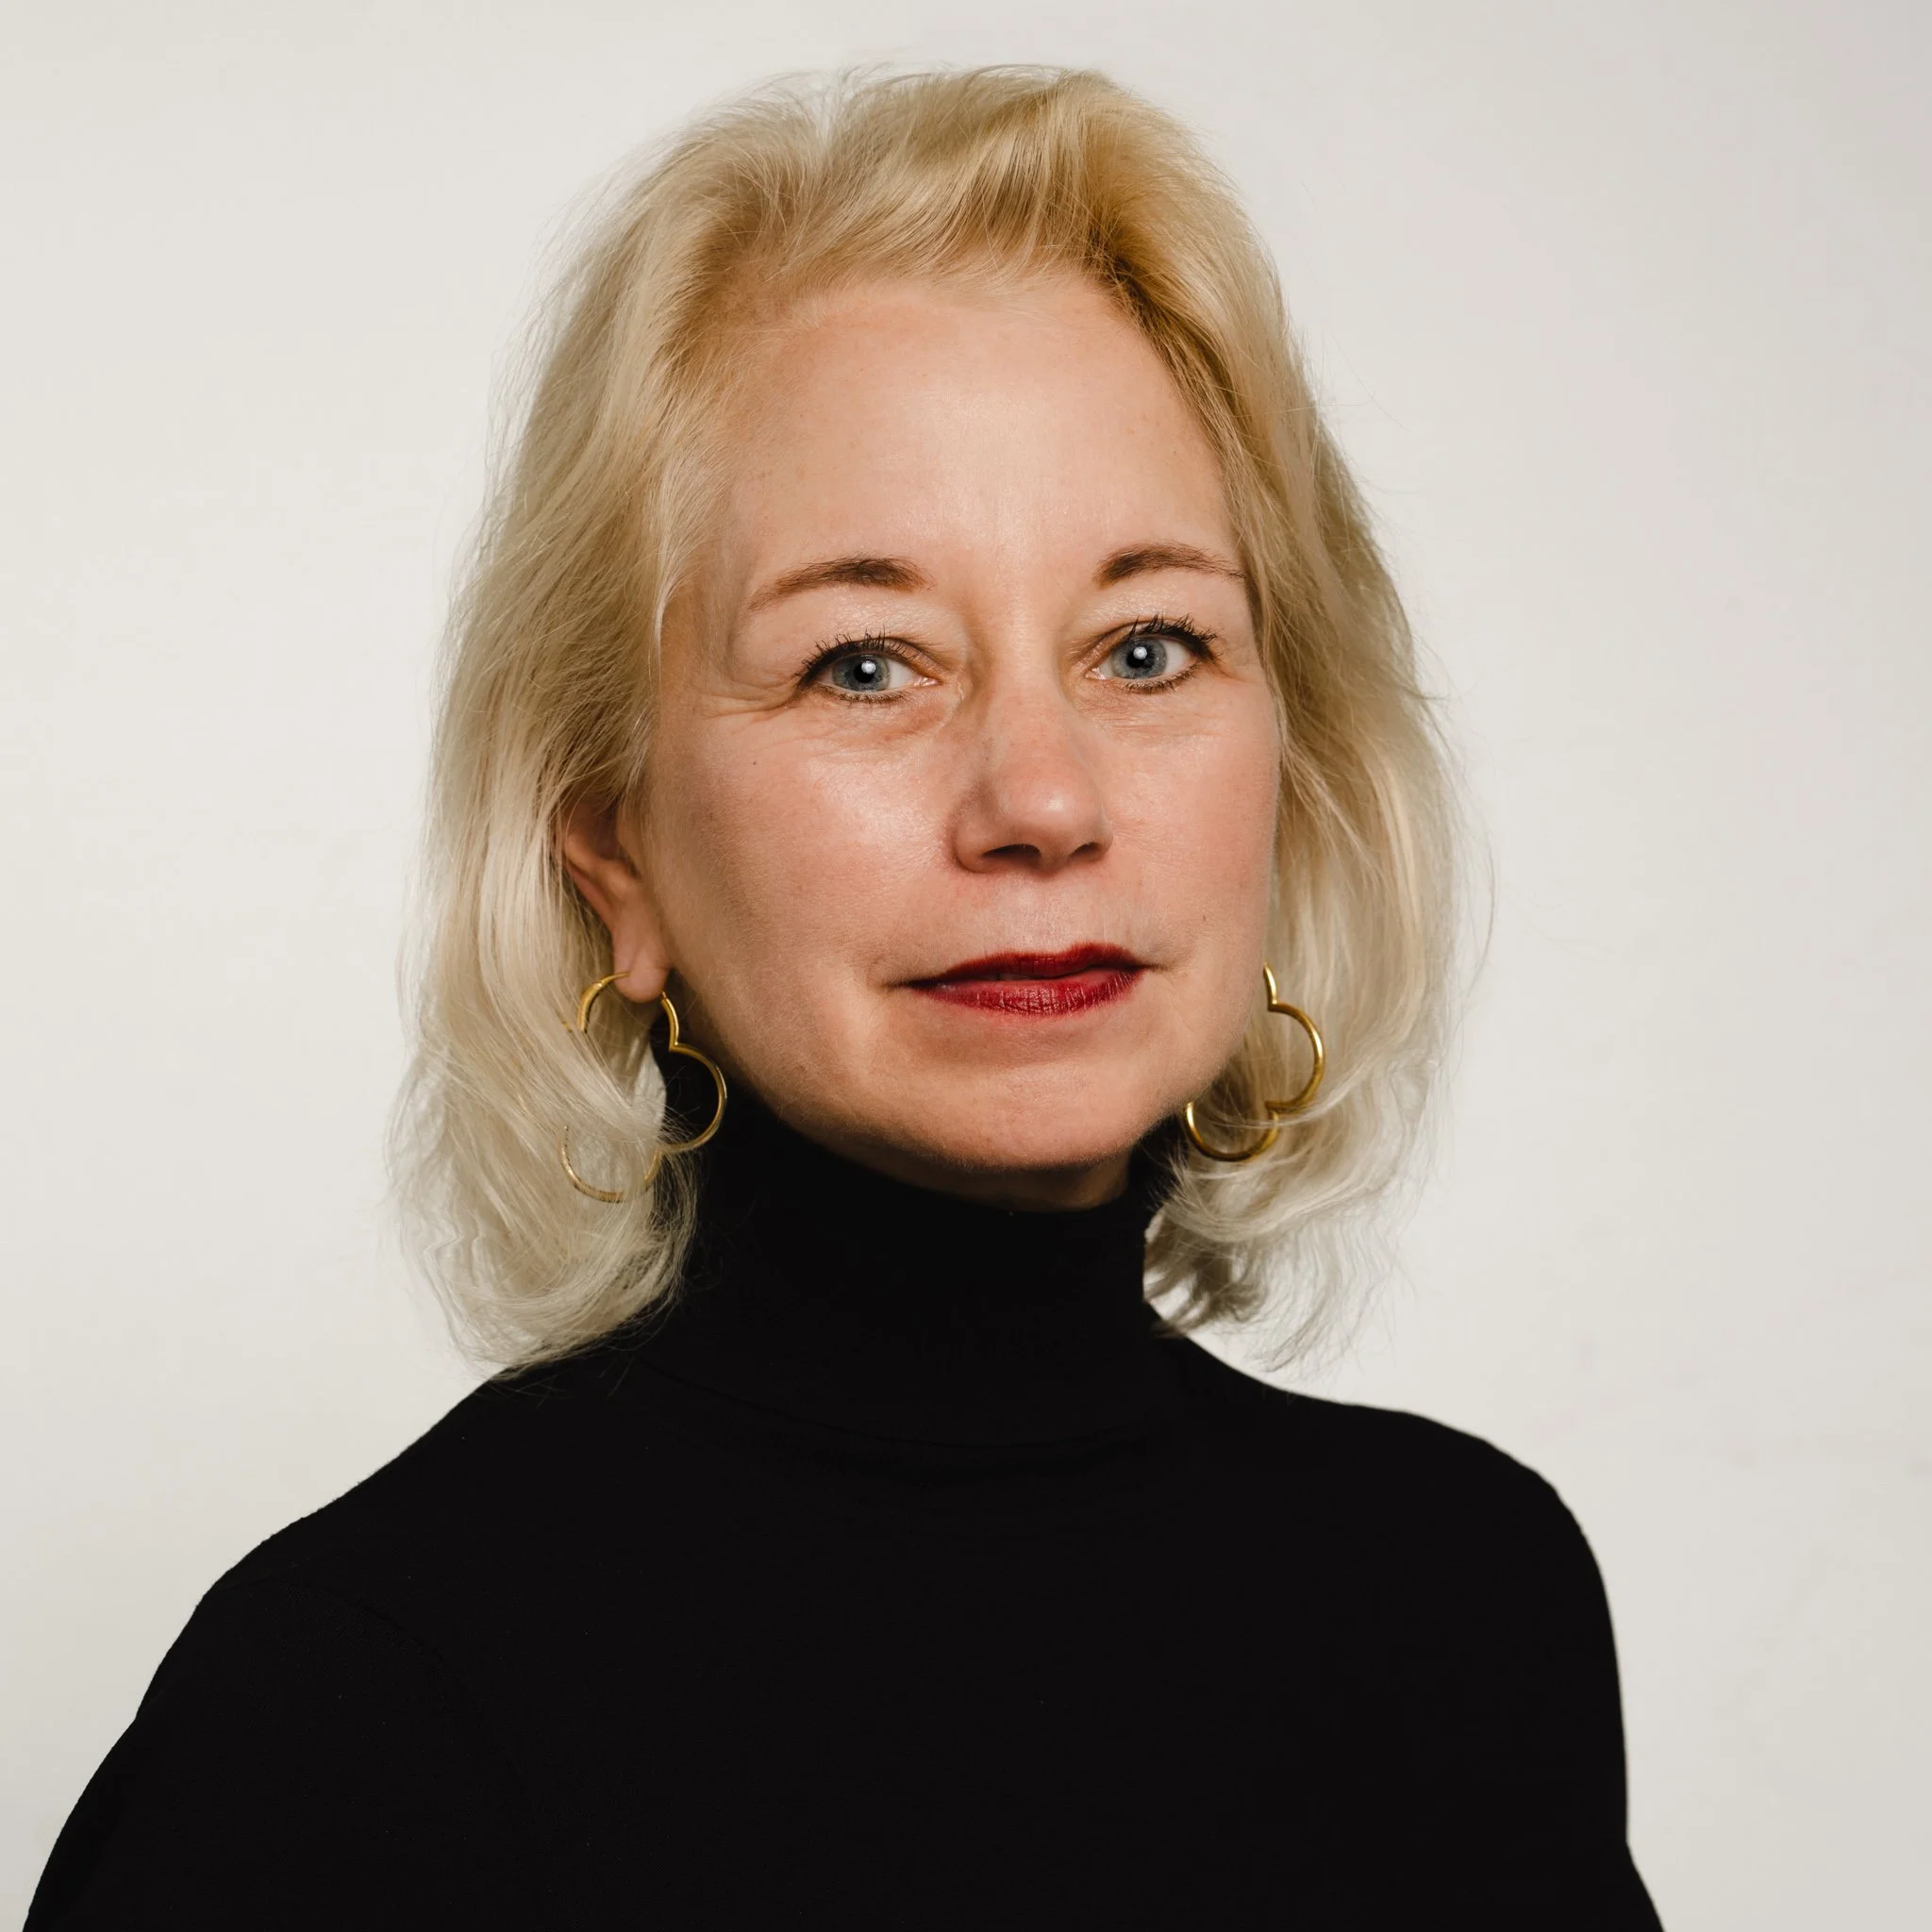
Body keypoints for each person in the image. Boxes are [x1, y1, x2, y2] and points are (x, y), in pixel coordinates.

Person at [29, 67, 1661, 1928]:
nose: (1042, 799)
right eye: (864, 663)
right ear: (613, 851)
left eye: (1147, 646)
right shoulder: (352, 1715)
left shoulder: (1467, 1602)